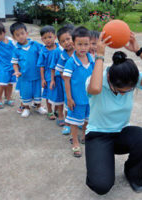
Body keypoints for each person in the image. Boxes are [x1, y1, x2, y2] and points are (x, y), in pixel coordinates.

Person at [85, 32, 142, 194]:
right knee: (101, 186)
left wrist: (138, 50)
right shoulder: (97, 80)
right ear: (110, 80)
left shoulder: (129, 80)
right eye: (121, 91)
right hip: (98, 136)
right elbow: (94, 88)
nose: (126, 93)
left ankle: (132, 172)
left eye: (129, 90)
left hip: (121, 133)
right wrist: (100, 55)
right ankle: (99, 163)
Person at [63, 26, 95, 157]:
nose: (83, 47)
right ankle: (75, 142)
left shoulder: (92, 59)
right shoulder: (71, 62)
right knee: (75, 122)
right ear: (73, 44)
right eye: (79, 44)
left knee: (87, 120)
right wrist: (69, 98)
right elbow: (66, 80)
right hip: (76, 100)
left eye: (86, 44)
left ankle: (84, 136)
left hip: (90, 98)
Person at [10, 22, 47, 118]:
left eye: (22, 33)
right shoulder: (16, 49)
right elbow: (14, 62)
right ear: (14, 37)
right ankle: (26, 108)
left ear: (27, 33)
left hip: (37, 76)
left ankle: (38, 106)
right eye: (17, 35)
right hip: (24, 77)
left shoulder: (35, 45)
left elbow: (44, 52)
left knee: (37, 92)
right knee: (25, 93)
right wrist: (17, 71)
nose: (21, 36)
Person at [37, 25, 63, 121]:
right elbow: (41, 66)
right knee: (48, 94)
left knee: (58, 94)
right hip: (48, 76)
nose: (47, 40)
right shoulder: (43, 51)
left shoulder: (60, 49)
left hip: (59, 76)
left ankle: (56, 110)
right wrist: (43, 79)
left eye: (50, 37)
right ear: (42, 39)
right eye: (45, 38)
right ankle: (49, 111)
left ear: (55, 37)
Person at [55, 24, 75, 135]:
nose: (66, 42)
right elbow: (60, 70)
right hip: (67, 84)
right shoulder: (63, 56)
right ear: (60, 44)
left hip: (79, 84)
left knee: (79, 102)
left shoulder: (79, 52)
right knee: (68, 103)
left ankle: (78, 121)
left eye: (68, 39)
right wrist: (66, 77)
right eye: (63, 41)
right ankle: (67, 124)